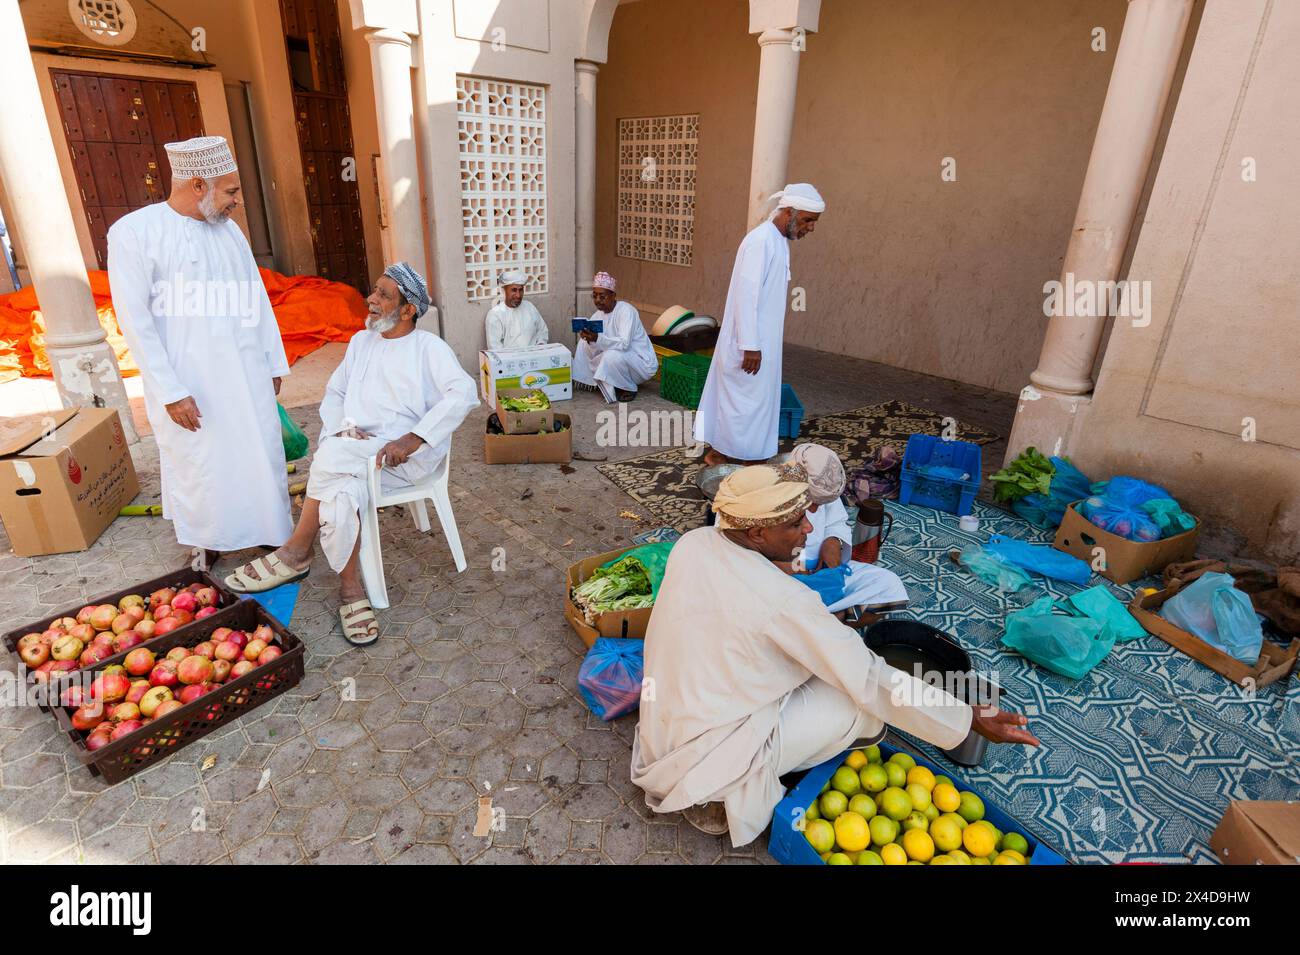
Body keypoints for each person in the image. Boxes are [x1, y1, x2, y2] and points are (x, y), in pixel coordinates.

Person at [630, 466, 1039, 844]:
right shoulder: (784, 602)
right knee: (858, 703)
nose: (808, 528)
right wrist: (965, 716)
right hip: (710, 752)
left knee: (824, 665)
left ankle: (717, 778)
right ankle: (724, 792)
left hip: (664, 724)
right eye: (795, 523)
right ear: (755, 534)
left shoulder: (694, 542)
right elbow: (867, 677)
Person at [224, 263, 478, 645]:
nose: (371, 300)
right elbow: (335, 393)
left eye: (383, 295)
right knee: (341, 490)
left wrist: (413, 439)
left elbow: (464, 393)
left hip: (402, 459)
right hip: (355, 452)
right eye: (373, 291)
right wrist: (342, 426)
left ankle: (296, 551)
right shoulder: (362, 342)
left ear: (408, 310)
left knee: (333, 456)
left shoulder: (430, 349)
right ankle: (351, 591)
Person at [108, 135, 291, 567]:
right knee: (201, 463)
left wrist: (272, 360)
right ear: (197, 185)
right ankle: (210, 538)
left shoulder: (231, 233)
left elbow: (256, 298)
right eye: (230, 191)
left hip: (245, 372)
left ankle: (270, 531)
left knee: (259, 453)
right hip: (190, 381)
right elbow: (135, 321)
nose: (237, 202)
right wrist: (170, 391)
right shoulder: (135, 233)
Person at [692, 183, 824, 465]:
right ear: (789, 212)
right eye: (808, 220)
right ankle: (742, 461)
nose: (811, 228)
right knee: (744, 407)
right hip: (748, 345)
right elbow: (745, 296)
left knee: (748, 406)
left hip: (762, 343)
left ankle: (726, 455)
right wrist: (750, 345)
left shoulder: (778, 241)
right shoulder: (760, 241)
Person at [781, 444, 909, 615]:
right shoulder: (780, 493)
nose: (814, 511)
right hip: (785, 577)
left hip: (824, 571)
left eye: (820, 504)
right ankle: (831, 617)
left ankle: (824, 619)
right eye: (812, 502)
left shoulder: (825, 485)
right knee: (786, 603)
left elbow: (837, 522)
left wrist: (833, 541)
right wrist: (791, 566)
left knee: (889, 585)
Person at [572, 271, 657, 403]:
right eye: (594, 296)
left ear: (613, 296)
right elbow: (598, 348)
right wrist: (590, 339)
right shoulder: (597, 316)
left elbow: (624, 344)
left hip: (640, 363)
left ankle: (628, 388)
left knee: (611, 355)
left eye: (602, 296)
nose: (597, 300)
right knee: (584, 344)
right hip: (619, 361)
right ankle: (590, 381)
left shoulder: (626, 311)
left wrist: (597, 339)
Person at [484, 269, 548, 350]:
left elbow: (542, 331)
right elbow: (495, 347)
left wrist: (540, 347)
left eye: (520, 290)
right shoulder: (495, 314)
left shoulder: (529, 307)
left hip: (534, 358)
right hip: (509, 360)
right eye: (514, 290)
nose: (518, 295)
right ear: (504, 291)